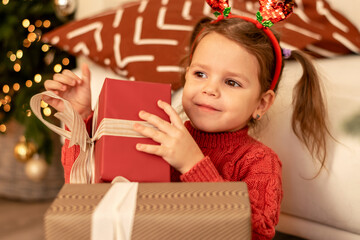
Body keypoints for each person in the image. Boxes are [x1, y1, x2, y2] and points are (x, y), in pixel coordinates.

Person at [43, 15, 331, 240]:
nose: (209, 89)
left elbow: (256, 232)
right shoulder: (162, 134)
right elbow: (87, 190)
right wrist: (78, 118)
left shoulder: (260, 162)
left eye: (231, 82)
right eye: (200, 73)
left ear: (261, 104)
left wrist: (194, 164)